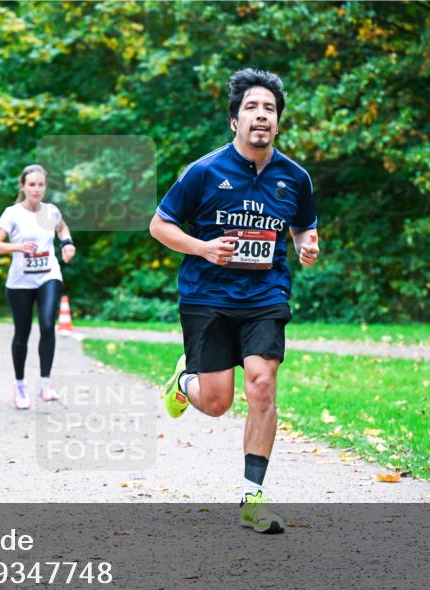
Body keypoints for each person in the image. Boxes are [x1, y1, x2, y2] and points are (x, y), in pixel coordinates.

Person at [149, 69, 320, 534]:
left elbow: (304, 225)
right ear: (234, 121)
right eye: (251, 108)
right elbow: (159, 226)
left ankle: (252, 498)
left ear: (278, 123)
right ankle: (185, 382)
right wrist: (203, 247)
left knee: (262, 385)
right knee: (219, 402)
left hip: (265, 295)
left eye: (269, 109)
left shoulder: (295, 178)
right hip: (207, 297)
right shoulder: (204, 171)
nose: (260, 115)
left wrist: (307, 243)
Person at [0, 165, 76, 409]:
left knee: (47, 325)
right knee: (22, 333)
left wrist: (67, 243)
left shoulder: (51, 211)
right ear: (23, 187)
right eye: (32, 184)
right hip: (20, 282)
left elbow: (62, 228)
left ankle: (45, 383)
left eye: (41, 185)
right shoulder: (12, 214)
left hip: (48, 275)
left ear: (45, 187)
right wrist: (17, 247)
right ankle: (20, 385)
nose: (36, 189)